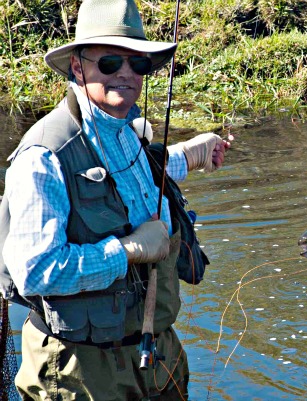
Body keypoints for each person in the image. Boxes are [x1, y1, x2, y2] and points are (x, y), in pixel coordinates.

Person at [2, 0, 230, 399]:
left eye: (138, 64)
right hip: (79, 376)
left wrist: (191, 154)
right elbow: (37, 272)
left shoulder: (127, 133)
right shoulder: (43, 157)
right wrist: (126, 251)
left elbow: (128, 180)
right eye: (110, 63)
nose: (125, 74)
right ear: (78, 66)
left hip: (157, 361)